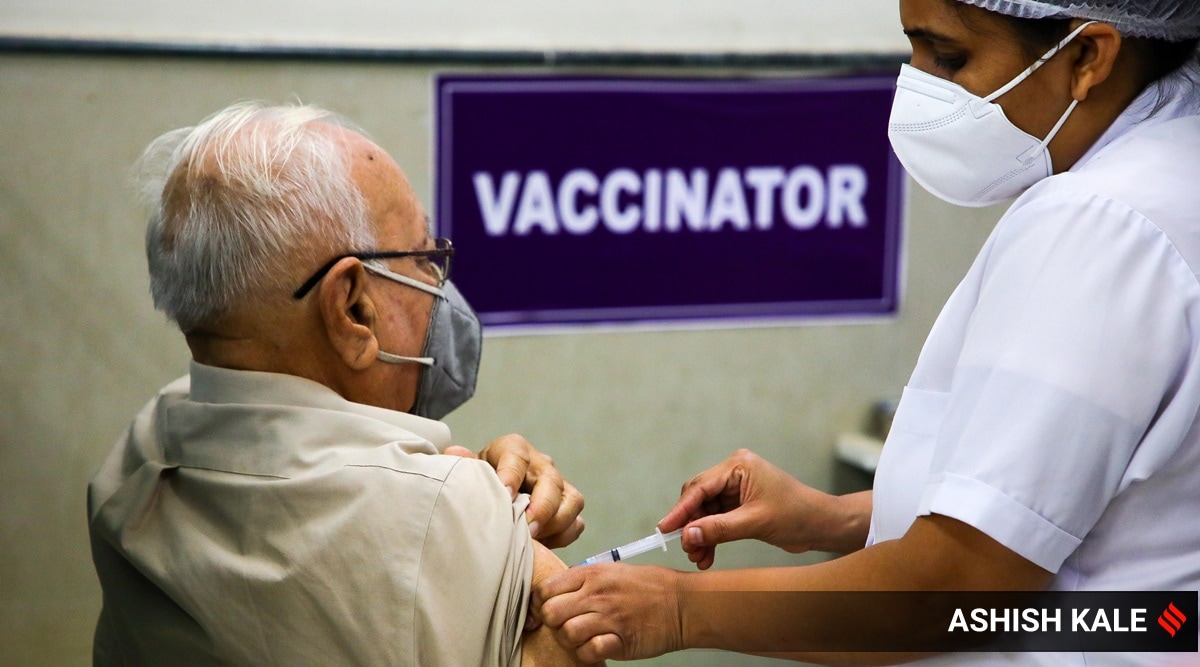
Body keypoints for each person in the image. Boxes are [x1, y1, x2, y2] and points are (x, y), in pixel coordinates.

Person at [533, 0, 1200, 664]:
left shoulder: (1100, 225)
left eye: (949, 56)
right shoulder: (1169, 179)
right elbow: (1071, 523)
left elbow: (953, 587)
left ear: (1088, 57)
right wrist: (829, 518)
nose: (918, 83)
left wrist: (680, 608)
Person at [87, 102, 593, 666]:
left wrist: (462, 469)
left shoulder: (137, 455)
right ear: (352, 306)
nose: (438, 287)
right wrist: (483, 508)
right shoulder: (446, 515)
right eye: (425, 258)